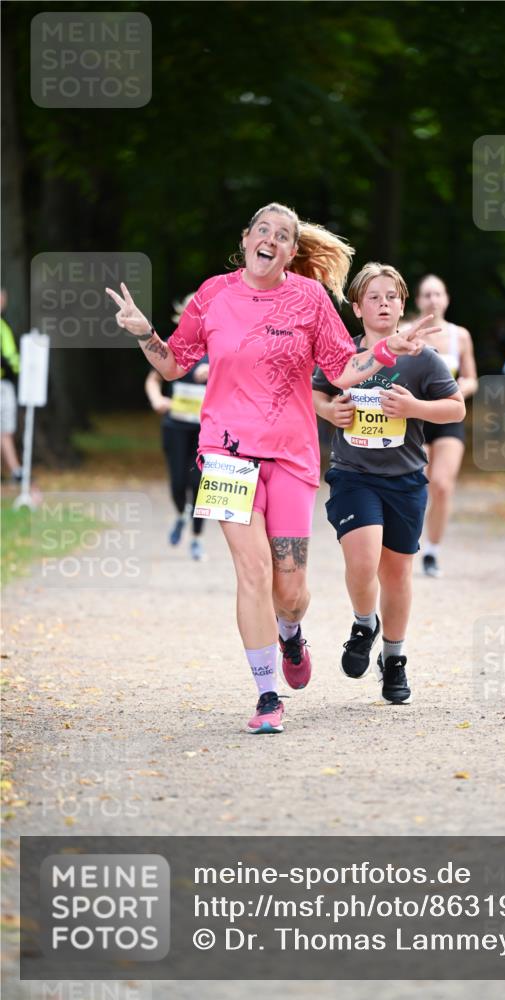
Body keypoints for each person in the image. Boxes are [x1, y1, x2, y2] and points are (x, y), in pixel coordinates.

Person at [107, 203, 435, 734]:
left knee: (290, 589)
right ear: (247, 238)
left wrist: (386, 351)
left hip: (291, 455)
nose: (272, 240)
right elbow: (173, 363)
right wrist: (144, 331)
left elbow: (342, 369)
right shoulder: (213, 294)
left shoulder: (309, 298)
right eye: (264, 230)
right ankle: (266, 695)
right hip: (225, 453)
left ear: (290, 252)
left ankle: (290, 632)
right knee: (252, 572)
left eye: (284, 236)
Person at [313, 263, 465, 704]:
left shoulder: (422, 358)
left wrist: (415, 406)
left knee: (396, 573)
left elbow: (455, 410)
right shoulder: (346, 354)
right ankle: (364, 624)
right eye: (374, 297)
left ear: (402, 305)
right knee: (362, 562)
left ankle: (394, 659)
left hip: (404, 479)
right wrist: (328, 412)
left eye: (392, 297)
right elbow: (315, 391)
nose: (384, 304)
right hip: (353, 475)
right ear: (357, 306)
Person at [409, 274, 478, 578]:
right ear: (418, 301)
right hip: (418, 418)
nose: (433, 300)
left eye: (438, 294)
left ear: (447, 298)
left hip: (448, 418)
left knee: (442, 484)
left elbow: (472, 378)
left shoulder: (459, 336)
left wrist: (455, 393)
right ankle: (408, 543)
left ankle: (432, 551)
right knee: (418, 485)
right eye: (427, 294)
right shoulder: (408, 334)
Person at [144, 296, 208, 560]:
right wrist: (157, 399)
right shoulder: (175, 344)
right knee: (178, 483)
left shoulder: (220, 346)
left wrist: (215, 370)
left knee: (199, 484)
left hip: (206, 430)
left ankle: (196, 538)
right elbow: (153, 379)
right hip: (176, 425)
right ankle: (181, 513)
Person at [0, 289, 22, 482]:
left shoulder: (3, 326)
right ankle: (16, 473)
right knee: (5, 431)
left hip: (6, 383)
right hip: (3, 384)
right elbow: (9, 359)